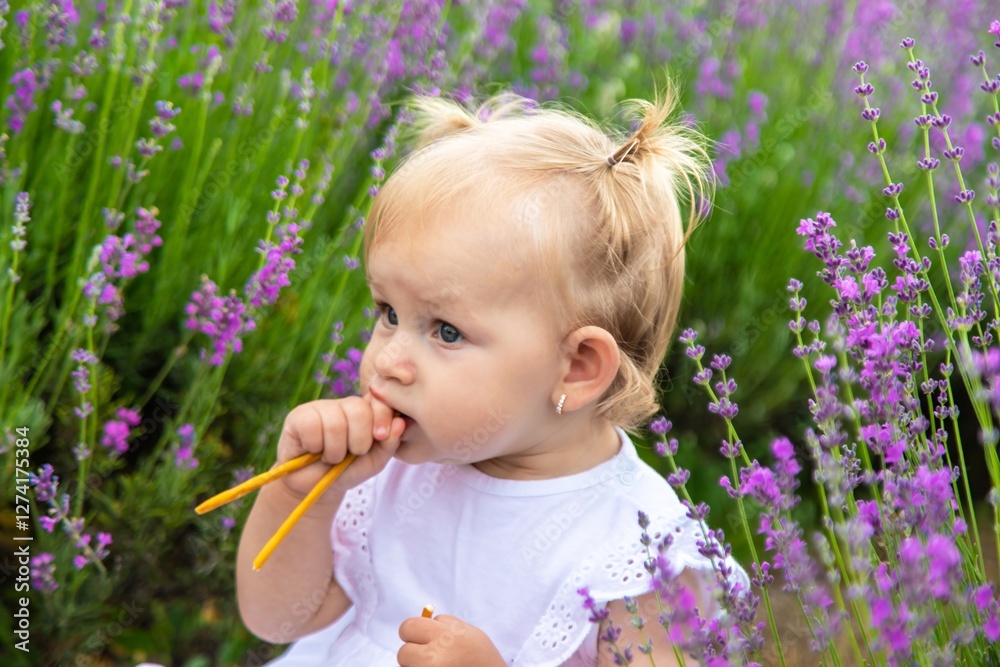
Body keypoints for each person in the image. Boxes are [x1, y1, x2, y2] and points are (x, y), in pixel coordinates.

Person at [236, 89, 748, 667]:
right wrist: (297, 493)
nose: (386, 361)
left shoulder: (634, 553)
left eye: (447, 332)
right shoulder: (394, 470)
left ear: (576, 369)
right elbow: (277, 620)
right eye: (388, 314)